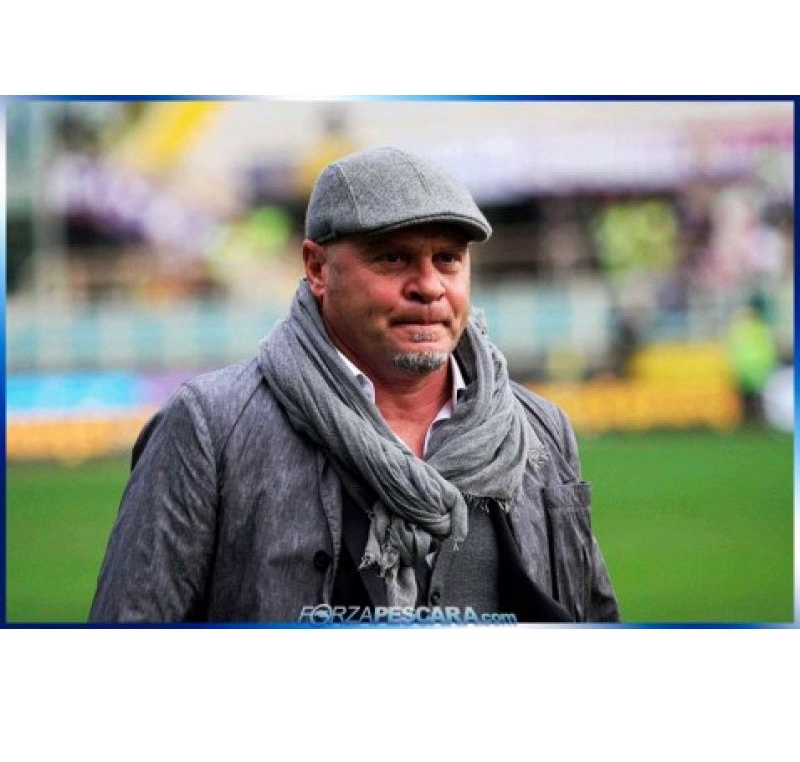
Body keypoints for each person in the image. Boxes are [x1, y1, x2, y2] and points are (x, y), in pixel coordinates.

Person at [90, 147, 620, 624]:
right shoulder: (210, 427)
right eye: (393, 258)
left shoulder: (540, 430)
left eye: (448, 259)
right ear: (317, 268)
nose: (429, 286)